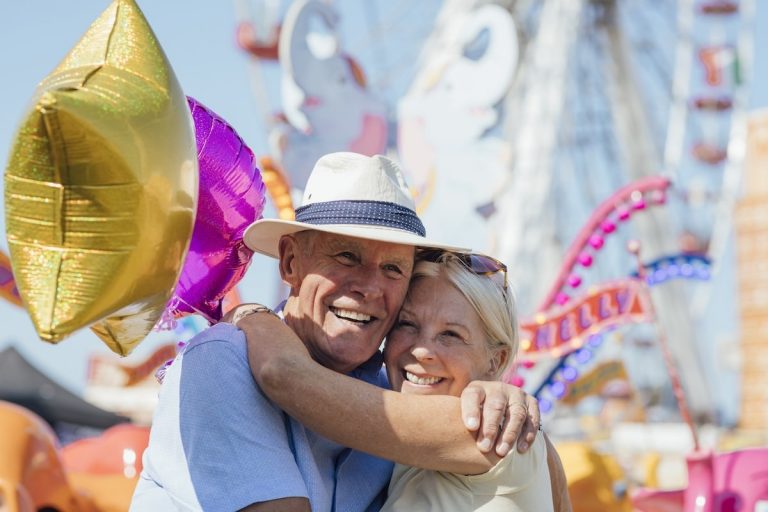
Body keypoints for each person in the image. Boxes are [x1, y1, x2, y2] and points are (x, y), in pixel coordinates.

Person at [130, 152, 540, 511]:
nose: (370, 287)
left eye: (393, 268)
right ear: (290, 262)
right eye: (346, 256)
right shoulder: (221, 360)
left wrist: (494, 393)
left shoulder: (399, 390)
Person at [235, 251, 572, 511]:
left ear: (495, 360)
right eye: (407, 325)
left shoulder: (487, 430)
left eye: (451, 334)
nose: (422, 349)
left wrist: (249, 314)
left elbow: (283, 374)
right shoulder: (410, 447)